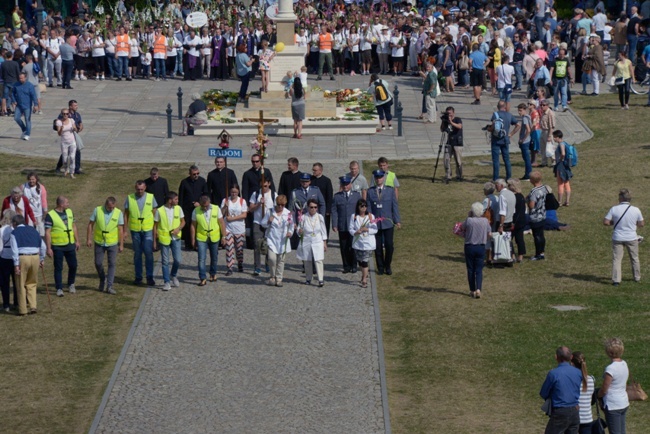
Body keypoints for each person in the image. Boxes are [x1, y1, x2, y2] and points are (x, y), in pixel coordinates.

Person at [603, 189, 644, 286]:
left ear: (621, 198)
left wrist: (613, 222)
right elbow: (641, 224)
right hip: (631, 237)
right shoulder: (636, 210)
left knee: (617, 259)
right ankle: (637, 277)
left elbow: (606, 222)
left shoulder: (614, 209)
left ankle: (616, 280)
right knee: (634, 258)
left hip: (618, 237)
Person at [539, 346, 583, 434]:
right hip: (575, 410)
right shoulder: (578, 372)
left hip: (560, 410)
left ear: (556, 357)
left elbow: (543, 393)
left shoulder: (554, 374)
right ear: (571, 357)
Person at [86, 196, 124, 295]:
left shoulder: (118, 213)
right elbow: (90, 224)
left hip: (112, 243)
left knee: (112, 264)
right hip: (99, 241)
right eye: (109, 207)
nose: (111, 209)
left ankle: (110, 286)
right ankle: (102, 279)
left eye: (113, 207)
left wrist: (121, 244)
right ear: (105, 205)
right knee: (98, 263)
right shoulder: (97, 210)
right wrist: (89, 238)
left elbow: (120, 229)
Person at [367, 169, 401, 275]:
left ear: (384, 178)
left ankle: (388, 265)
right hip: (375, 223)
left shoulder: (390, 191)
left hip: (388, 222)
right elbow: (369, 207)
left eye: (380, 177)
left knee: (389, 245)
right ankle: (380, 267)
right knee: (377, 247)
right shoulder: (370, 191)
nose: (378, 179)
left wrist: (397, 220)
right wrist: (370, 219)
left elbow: (394, 206)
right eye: (377, 178)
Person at [10, 214, 45, 316]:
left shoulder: (14, 233)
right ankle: (33, 306)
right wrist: (42, 259)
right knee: (32, 282)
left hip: (22, 258)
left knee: (21, 284)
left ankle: (23, 309)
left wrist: (16, 265)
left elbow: (14, 250)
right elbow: (43, 246)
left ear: (15, 223)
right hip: (35, 257)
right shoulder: (34, 230)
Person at [45, 196, 80, 297]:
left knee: (73, 265)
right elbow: (47, 232)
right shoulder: (50, 215)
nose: (68, 204)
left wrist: (77, 241)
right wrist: (48, 248)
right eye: (67, 203)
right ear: (61, 204)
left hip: (70, 244)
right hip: (58, 246)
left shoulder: (69, 212)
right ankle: (59, 288)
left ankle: (71, 283)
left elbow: (73, 226)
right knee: (58, 268)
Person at [124, 180, 157, 286]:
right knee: (137, 254)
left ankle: (149, 276)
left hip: (148, 229)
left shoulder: (151, 197)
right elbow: (126, 215)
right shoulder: (130, 198)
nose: (140, 191)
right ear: (135, 188)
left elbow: (155, 214)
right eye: (138, 189)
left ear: (145, 188)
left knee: (148, 252)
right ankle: (138, 277)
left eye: (142, 189)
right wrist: (124, 230)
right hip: (135, 230)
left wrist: (156, 230)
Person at [191, 195, 226, 286]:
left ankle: (213, 273)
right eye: (203, 206)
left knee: (214, 257)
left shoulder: (216, 208)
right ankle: (202, 277)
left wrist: (224, 236)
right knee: (201, 259)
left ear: (209, 203)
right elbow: (193, 225)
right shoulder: (196, 211)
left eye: (206, 206)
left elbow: (221, 223)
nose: (205, 208)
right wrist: (193, 239)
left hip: (214, 236)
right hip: (201, 237)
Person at [597, 338, 630, 433]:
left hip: (613, 404)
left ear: (609, 352)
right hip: (623, 402)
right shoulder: (624, 363)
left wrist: (597, 395)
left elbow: (604, 389)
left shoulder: (610, 368)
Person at [154, 191, 184, 291]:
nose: (177, 201)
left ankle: (173, 275)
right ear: (170, 200)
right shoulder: (160, 210)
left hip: (176, 238)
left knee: (178, 259)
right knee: (165, 261)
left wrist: (178, 229)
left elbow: (183, 221)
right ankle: (166, 282)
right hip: (164, 238)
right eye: (176, 199)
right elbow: (155, 225)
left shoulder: (178, 208)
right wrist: (155, 239)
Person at [288, 172, 325, 250]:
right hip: (301, 219)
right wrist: (293, 222)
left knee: (315, 239)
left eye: (307, 181)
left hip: (314, 218)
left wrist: (321, 216)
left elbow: (322, 204)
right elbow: (291, 209)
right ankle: (305, 261)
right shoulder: (295, 192)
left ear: (310, 182)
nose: (305, 183)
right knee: (303, 243)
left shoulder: (316, 190)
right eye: (303, 181)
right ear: (300, 182)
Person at [461, 202, 491, 298]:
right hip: (480, 247)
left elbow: (462, 227)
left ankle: (472, 290)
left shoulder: (469, 220)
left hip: (470, 246)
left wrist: (469, 216)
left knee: (470, 269)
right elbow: (489, 233)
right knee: (479, 269)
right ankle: (478, 289)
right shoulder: (485, 221)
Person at [332, 176, 361, 274]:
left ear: (350, 185)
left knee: (353, 246)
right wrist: (334, 224)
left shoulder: (356, 196)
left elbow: (360, 209)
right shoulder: (337, 196)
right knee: (344, 247)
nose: (345, 186)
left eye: (347, 184)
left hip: (353, 226)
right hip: (342, 225)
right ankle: (346, 266)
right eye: (343, 184)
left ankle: (354, 265)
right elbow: (334, 211)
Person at [264, 194, 294, 287]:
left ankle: (279, 278)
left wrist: (290, 232)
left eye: (282, 205)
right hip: (272, 239)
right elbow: (263, 224)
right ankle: (272, 276)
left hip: (283, 240)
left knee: (281, 260)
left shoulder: (288, 213)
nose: (280, 207)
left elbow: (291, 226)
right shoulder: (270, 211)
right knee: (272, 259)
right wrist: (268, 221)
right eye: (278, 204)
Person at [249, 178, 277, 276]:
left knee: (268, 244)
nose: (263, 188)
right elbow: (251, 209)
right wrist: (258, 204)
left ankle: (268, 264)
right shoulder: (255, 194)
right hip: (257, 222)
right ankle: (257, 267)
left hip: (269, 223)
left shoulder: (274, 195)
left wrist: (272, 218)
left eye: (265, 186)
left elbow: (277, 209)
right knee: (257, 244)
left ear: (269, 184)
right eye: (262, 186)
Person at [297, 198, 328, 286]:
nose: (313, 209)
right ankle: (308, 278)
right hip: (307, 240)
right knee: (307, 260)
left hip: (317, 240)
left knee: (319, 260)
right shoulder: (303, 217)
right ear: (308, 207)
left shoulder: (320, 217)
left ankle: (320, 279)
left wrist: (324, 242)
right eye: (311, 207)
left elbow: (323, 230)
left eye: (315, 207)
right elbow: (299, 229)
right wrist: (299, 232)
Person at [349, 198, 378, 288]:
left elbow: (375, 229)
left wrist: (367, 229)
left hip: (368, 243)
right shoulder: (354, 217)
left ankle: (364, 279)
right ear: (358, 207)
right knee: (360, 261)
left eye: (365, 206)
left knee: (365, 261)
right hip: (358, 242)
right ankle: (364, 274)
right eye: (362, 206)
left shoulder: (370, 216)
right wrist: (355, 232)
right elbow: (350, 228)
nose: (364, 208)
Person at [178, 165, 208, 250]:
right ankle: (188, 244)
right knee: (188, 226)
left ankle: (198, 244)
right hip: (187, 208)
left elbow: (205, 194)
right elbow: (181, 196)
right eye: (194, 174)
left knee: (198, 225)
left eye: (198, 173)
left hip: (199, 207)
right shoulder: (184, 182)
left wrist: (200, 202)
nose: (196, 175)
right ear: (190, 174)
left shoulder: (202, 181)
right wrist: (180, 209)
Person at [489, 100, 519, 181]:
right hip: (505, 139)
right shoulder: (509, 115)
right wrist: (511, 134)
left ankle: (496, 178)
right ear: (505, 107)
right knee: (506, 159)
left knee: (496, 160)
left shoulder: (495, 115)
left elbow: (493, 127)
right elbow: (518, 125)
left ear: (497, 106)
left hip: (496, 139)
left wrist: (489, 129)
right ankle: (509, 177)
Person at [220, 185, 247, 276]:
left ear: (238, 192)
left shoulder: (242, 201)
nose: (233, 194)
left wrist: (233, 218)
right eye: (232, 192)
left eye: (235, 192)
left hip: (239, 229)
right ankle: (230, 267)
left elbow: (244, 215)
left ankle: (240, 262)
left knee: (239, 248)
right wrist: (224, 207)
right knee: (229, 248)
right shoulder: (225, 200)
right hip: (228, 228)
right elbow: (221, 214)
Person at [55, 100, 83, 175]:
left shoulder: (77, 115)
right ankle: (59, 167)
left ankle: (76, 168)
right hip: (66, 137)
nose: (76, 107)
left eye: (76, 105)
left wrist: (80, 127)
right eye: (75, 105)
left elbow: (80, 123)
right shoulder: (64, 115)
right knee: (65, 154)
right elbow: (58, 124)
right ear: (70, 106)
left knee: (77, 151)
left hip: (74, 135)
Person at [570, 351, 596, 434]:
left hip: (573, 417)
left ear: (572, 364)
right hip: (587, 417)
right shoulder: (591, 380)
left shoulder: (571, 380)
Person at [527, 171, 548, 261]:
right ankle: (542, 252)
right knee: (541, 235)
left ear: (532, 180)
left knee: (537, 236)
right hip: (543, 214)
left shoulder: (534, 191)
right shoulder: (544, 188)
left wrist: (527, 201)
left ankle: (538, 254)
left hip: (535, 216)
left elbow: (531, 205)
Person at [310, 163, 333, 238]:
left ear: (320, 170)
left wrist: (328, 210)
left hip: (323, 207)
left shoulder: (326, 181)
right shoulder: (310, 180)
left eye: (315, 170)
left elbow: (329, 196)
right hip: (312, 207)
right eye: (313, 170)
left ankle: (324, 240)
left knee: (324, 225)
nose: (313, 172)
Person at [11, 72, 37, 140]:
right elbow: (13, 93)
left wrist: (35, 105)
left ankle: (27, 134)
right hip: (19, 105)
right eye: (20, 78)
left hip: (27, 105)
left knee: (27, 120)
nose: (21, 79)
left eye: (22, 78)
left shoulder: (30, 85)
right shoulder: (16, 85)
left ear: (25, 78)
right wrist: (14, 100)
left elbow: (34, 96)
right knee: (16, 118)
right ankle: (24, 129)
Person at [552, 130, 573, 207]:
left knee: (560, 184)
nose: (554, 139)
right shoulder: (565, 143)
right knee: (567, 183)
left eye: (554, 137)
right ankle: (567, 201)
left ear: (558, 137)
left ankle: (559, 202)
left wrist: (560, 160)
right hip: (566, 166)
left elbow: (563, 153)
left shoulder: (561, 144)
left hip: (561, 166)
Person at [442, 106, 463, 183]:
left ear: (453, 113)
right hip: (449, 142)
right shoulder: (446, 120)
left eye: (450, 113)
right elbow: (442, 129)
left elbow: (459, 126)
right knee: (446, 159)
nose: (449, 115)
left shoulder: (458, 119)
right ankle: (448, 175)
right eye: (448, 114)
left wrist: (451, 122)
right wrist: (443, 121)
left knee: (458, 160)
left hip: (457, 142)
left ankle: (459, 175)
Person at [539, 99, 556, 168]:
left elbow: (552, 125)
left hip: (548, 131)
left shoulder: (550, 113)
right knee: (542, 147)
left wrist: (549, 135)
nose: (542, 106)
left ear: (547, 106)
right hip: (543, 131)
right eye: (541, 105)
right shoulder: (543, 112)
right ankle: (544, 162)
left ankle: (554, 161)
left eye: (544, 105)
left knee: (550, 147)